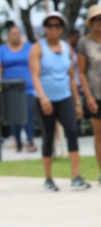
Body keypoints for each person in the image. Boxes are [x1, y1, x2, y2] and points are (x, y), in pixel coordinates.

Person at [29, 11, 89, 191]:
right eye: (49, 26)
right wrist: (43, 97)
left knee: (72, 131)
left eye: (57, 25)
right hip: (45, 98)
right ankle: (48, 178)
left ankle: (76, 176)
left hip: (65, 97)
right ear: (45, 29)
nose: (53, 29)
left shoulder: (67, 48)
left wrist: (77, 101)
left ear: (62, 28)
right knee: (48, 136)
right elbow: (35, 75)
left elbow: (71, 77)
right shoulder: (38, 48)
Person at [0, 24, 37, 152]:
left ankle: (30, 140)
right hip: (10, 88)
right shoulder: (2, 49)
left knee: (28, 114)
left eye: (18, 33)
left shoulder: (29, 47)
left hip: (27, 87)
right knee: (14, 117)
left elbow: (35, 63)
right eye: (13, 33)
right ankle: (17, 141)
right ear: (8, 36)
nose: (16, 36)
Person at [77, 4, 101, 182]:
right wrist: (88, 96)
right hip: (95, 94)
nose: (99, 22)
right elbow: (81, 72)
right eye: (96, 19)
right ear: (91, 22)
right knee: (99, 134)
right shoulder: (84, 42)